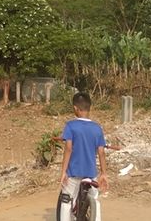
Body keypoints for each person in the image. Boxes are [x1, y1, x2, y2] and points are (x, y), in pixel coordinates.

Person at [58, 92, 108, 220]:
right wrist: (103, 173)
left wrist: (63, 172)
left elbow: (68, 149)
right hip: (91, 173)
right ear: (89, 107)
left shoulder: (70, 126)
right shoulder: (97, 128)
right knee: (95, 200)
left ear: (75, 108)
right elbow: (101, 152)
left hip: (74, 172)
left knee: (66, 200)